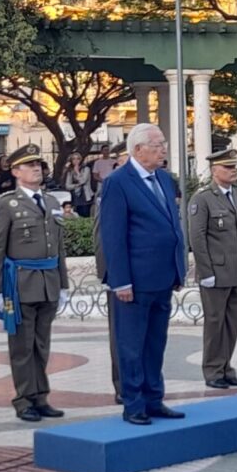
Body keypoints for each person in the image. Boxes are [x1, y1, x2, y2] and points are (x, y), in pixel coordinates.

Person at [99, 124, 187, 426]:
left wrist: (179, 269)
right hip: (134, 281)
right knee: (131, 344)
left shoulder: (163, 178)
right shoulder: (118, 183)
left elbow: (174, 226)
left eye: (163, 144)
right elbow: (113, 236)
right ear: (138, 150)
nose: (164, 149)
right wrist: (120, 280)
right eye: (158, 144)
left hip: (162, 277)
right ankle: (133, 403)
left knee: (155, 342)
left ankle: (154, 398)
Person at [0, 144, 70, 423]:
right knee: (22, 346)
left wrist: (64, 284)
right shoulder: (7, 204)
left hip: (48, 283)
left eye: (39, 164)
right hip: (19, 284)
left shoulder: (52, 203)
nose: (37, 168)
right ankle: (23, 399)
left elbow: (58, 248)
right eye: (30, 165)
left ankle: (40, 396)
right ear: (15, 171)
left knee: (41, 345)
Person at [190, 149, 237, 389]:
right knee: (215, 323)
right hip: (216, 273)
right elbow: (197, 238)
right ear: (214, 171)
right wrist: (206, 272)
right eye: (227, 167)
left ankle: (226, 366)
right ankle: (212, 370)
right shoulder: (203, 198)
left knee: (232, 323)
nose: (233, 171)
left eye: (234, 167)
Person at [93, 141, 129, 405]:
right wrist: (110, 275)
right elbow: (102, 235)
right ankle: (124, 386)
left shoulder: (154, 183)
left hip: (148, 275)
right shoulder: (111, 188)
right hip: (121, 276)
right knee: (122, 335)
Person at [63, 152, 93, 217]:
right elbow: (67, 186)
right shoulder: (70, 171)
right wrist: (76, 185)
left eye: (78, 159)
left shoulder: (86, 169)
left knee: (86, 215)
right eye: (74, 159)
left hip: (85, 196)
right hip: (75, 197)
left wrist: (77, 172)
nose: (76, 161)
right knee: (77, 216)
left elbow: (83, 181)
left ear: (81, 160)